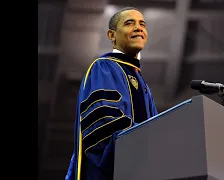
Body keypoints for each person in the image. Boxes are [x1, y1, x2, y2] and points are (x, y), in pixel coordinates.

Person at [65, 7, 158, 180]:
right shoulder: (104, 67)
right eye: (129, 23)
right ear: (111, 35)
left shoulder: (143, 84)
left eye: (142, 24)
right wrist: (141, 150)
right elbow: (103, 124)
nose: (139, 28)